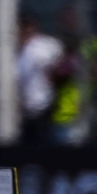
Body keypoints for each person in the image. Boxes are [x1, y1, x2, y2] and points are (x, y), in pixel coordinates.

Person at [17, 14, 64, 143]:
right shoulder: (15, 51)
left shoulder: (44, 45)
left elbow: (56, 64)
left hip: (43, 104)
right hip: (23, 109)